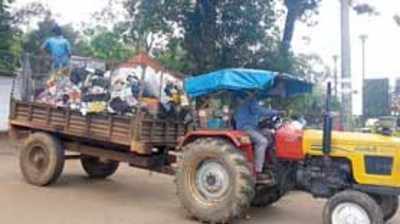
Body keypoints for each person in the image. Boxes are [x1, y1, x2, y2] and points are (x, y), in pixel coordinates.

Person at [234, 94, 280, 183]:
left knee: (270, 134)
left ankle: (269, 162)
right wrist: (275, 112)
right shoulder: (251, 99)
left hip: (253, 128)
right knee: (262, 141)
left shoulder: (252, 101)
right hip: (245, 128)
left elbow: (258, 114)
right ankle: (258, 171)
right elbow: (258, 111)